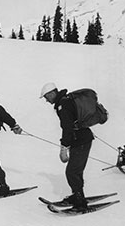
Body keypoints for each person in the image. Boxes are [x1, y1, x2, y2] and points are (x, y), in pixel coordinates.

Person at [39, 82, 94, 211]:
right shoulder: (64, 102)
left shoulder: (62, 105)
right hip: (80, 139)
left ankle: (80, 202)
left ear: (52, 93)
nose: (47, 101)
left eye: (46, 97)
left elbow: (67, 127)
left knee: (72, 172)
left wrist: (64, 146)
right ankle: (77, 195)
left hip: (81, 140)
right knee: (75, 170)